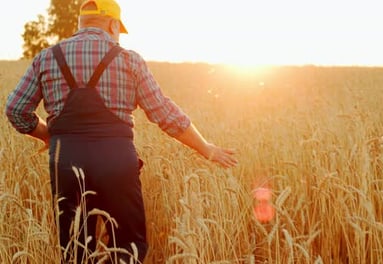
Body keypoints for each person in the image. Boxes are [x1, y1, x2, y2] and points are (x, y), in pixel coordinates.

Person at [4, 0, 238, 262]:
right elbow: (164, 113)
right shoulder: (129, 60)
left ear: (81, 23)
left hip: (65, 161)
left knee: (75, 250)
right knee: (128, 247)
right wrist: (206, 148)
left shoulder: (46, 57)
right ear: (113, 24)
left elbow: (15, 110)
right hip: (117, 161)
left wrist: (49, 135)